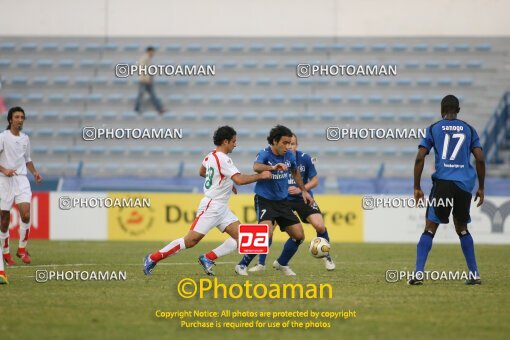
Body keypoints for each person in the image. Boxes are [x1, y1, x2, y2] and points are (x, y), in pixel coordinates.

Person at [143, 126, 271, 276]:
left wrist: (226, 184)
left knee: (243, 239)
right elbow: (240, 179)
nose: (235, 145)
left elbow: (202, 171)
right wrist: (260, 176)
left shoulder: (211, 156)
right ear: (225, 141)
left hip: (221, 207)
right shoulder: (223, 159)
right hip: (212, 205)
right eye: (234, 141)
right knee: (190, 241)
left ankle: (208, 258)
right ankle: (152, 258)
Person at [410, 95, 485, 285]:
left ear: (441, 110)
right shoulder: (469, 129)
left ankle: (418, 274)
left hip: (443, 183)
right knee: (462, 228)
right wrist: (481, 187)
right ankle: (474, 274)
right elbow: (480, 158)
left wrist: (417, 186)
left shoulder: (434, 128)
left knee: (430, 227)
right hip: (464, 186)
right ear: (458, 110)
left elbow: (420, 157)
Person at [248, 134, 335, 272]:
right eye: (288, 144)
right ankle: (261, 263)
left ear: (297, 145)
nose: (290, 147)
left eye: (293, 144)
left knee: (319, 225)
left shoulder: (305, 158)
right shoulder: (278, 158)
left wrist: (302, 189)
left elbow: (315, 180)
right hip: (282, 200)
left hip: (302, 198)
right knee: (267, 230)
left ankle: (325, 254)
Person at [235, 125, 314, 276]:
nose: (288, 146)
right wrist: (273, 168)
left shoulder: (290, 156)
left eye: (290, 143)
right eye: (285, 143)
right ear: (275, 141)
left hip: (282, 201)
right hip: (265, 200)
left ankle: (282, 263)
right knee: (266, 233)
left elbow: (295, 172)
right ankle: (242, 265)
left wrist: (304, 191)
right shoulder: (265, 153)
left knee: (299, 236)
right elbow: (256, 167)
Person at [0, 106, 43, 267]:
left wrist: (35, 172)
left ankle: (22, 250)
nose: (20, 120)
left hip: (21, 180)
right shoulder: (3, 137)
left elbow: (27, 159)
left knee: (25, 215)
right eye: (17, 117)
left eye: (22, 117)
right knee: (4, 220)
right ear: (10, 119)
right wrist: (4, 169)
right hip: (4, 180)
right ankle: (5, 253)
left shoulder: (25, 138)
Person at [134, 46, 165, 114]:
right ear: (149, 51)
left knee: (152, 95)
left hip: (148, 80)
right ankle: (137, 109)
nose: (153, 54)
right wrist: (146, 79)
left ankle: (159, 109)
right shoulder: (144, 59)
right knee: (141, 95)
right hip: (144, 81)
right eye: (152, 52)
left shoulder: (148, 59)